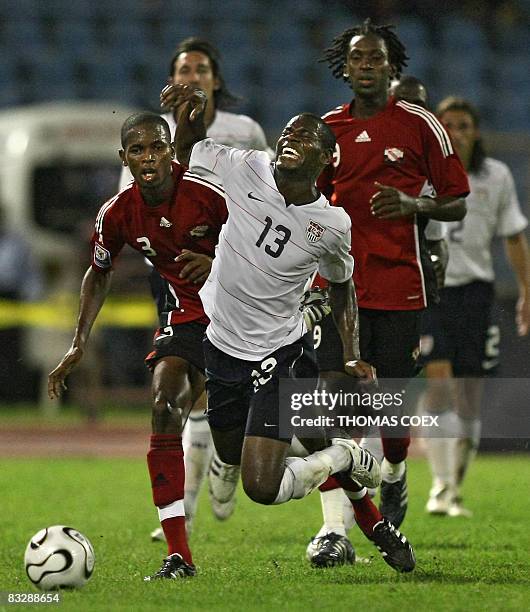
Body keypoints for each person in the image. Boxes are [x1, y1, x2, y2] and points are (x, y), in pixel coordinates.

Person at [161, 83, 417, 574]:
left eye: (304, 134)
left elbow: (343, 287)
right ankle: (343, 461)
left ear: (325, 158)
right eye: (287, 131)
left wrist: (351, 352)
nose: (289, 137)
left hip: (279, 353)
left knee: (262, 487)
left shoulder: (332, 224)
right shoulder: (245, 166)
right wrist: (187, 119)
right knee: (237, 455)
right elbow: (191, 151)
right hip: (222, 347)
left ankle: (342, 462)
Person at [304, 19, 470, 567]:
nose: (367, 65)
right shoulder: (327, 130)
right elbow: (305, 204)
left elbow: (455, 200)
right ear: (344, 66)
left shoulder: (421, 125)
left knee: (390, 408)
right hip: (338, 290)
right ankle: (336, 532)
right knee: (338, 406)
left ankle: (395, 472)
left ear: (390, 65)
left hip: (400, 286)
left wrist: (413, 206)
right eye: (358, 58)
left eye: (376, 57)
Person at [48, 112, 228, 580]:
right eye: (137, 150)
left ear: (172, 151)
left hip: (240, 315)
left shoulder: (208, 194)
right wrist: (78, 343)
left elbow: (259, 241)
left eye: (156, 147)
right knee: (163, 403)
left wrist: (215, 260)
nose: (148, 158)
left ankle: (359, 503)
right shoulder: (117, 212)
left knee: (267, 448)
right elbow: (99, 270)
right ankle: (179, 555)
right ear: (123, 157)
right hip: (185, 317)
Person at [120, 38, 271, 536]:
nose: (192, 76)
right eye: (183, 69)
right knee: (185, 388)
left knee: (218, 386)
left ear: (216, 80)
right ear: (170, 81)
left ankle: (225, 467)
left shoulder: (242, 130)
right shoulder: (152, 137)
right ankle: (183, 505)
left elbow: (266, 199)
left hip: (229, 264)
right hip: (174, 269)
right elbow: (131, 204)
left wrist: (224, 255)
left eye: (201, 68)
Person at [420, 97, 530, 517]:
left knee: (469, 397)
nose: (455, 132)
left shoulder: (496, 175)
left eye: (463, 124)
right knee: (440, 381)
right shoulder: (424, 173)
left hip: (476, 295)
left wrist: (525, 291)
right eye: (447, 124)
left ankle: (453, 486)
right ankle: (440, 485)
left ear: (476, 130)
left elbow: (514, 236)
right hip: (433, 291)